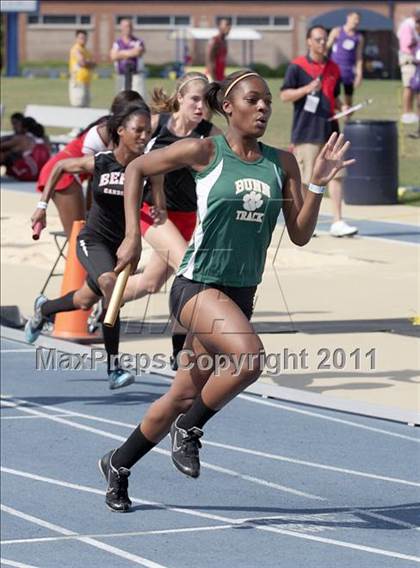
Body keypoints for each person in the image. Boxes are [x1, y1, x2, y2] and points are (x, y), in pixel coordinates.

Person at [98, 69, 355, 512]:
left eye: (268, 102)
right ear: (228, 108)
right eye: (253, 100)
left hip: (239, 295)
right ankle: (190, 429)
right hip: (197, 285)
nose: (262, 108)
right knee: (250, 358)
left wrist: (316, 182)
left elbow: (299, 233)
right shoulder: (206, 151)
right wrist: (132, 236)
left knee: (181, 394)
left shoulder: (282, 162)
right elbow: (137, 166)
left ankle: (118, 463)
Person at [25, 101, 161, 390]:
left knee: (85, 300)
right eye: (138, 130)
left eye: (148, 131)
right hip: (93, 239)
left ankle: (44, 309)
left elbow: (158, 195)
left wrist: (159, 208)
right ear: (121, 131)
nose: (143, 136)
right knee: (110, 287)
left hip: (122, 247)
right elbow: (60, 166)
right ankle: (114, 368)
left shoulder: (149, 168)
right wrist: (41, 206)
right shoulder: (101, 161)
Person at [117, 72, 221, 369]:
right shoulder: (155, 125)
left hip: (189, 217)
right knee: (188, 271)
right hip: (153, 213)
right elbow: (130, 160)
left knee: (151, 283)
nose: (201, 106)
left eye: (206, 101)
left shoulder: (209, 133)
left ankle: (106, 296)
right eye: (195, 99)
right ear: (180, 98)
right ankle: (182, 352)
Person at [280, 25, 358, 238]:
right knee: (305, 178)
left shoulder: (333, 67)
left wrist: (343, 108)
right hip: (306, 130)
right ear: (309, 42)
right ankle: (305, 221)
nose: (323, 43)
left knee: (337, 174)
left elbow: (335, 96)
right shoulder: (297, 66)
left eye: (325, 39)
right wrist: (306, 90)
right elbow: (284, 95)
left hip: (330, 129)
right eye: (318, 39)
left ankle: (337, 221)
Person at [36, 90, 143, 237]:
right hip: (64, 172)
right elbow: (98, 179)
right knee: (77, 235)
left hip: (69, 172)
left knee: (83, 233)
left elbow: (96, 180)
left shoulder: (118, 133)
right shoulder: (106, 132)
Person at [327, 11, 364, 111]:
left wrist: (359, 74)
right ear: (348, 18)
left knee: (349, 97)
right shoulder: (337, 31)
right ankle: (332, 115)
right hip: (334, 70)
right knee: (332, 94)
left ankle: (347, 120)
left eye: (358, 20)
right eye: (354, 19)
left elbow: (359, 57)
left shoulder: (359, 37)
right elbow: (326, 47)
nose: (356, 22)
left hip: (349, 71)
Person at [0, 116, 50, 181]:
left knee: (4, 154)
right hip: (43, 175)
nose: (14, 127)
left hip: (29, 174)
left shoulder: (21, 138)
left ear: (24, 128)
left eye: (17, 125)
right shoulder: (45, 139)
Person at [111, 18, 146, 99]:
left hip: (135, 76)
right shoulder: (117, 43)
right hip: (121, 76)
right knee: (121, 100)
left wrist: (120, 53)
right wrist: (131, 52)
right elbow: (113, 56)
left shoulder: (138, 41)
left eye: (130, 26)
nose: (128, 28)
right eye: (125, 26)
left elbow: (138, 52)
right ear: (121, 28)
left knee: (137, 99)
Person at [397, 9, 420, 124]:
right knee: (409, 86)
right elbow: (407, 45)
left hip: (415, 59)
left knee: (416, 87)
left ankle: (414, 113)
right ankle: (407, 113)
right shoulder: (408, 26)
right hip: (408, 59)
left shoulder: (414, 26)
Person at [69, 30, 96, 108]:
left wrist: (88, 62)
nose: (83, 39)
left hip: (86, 82)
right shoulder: (76, 49)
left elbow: (94, 64)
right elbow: (82, 62)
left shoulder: (86, 50)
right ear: (76, 39)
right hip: (78, 82)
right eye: (80, 38)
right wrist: (88, 62)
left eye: (84, 38)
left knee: (86, 105)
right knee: (78, 105)